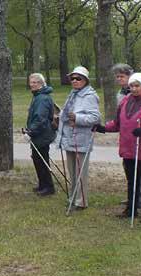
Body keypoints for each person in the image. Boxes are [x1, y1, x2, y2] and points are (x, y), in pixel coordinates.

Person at [96, 73, 141, 224]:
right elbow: (118, 123)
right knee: (131, 180)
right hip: (128, 147)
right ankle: (131, 208)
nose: (133, 89)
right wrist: (103, 128)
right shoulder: (126, 100)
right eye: (131, 86)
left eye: (137, 86)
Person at [56, 66, 101, 210]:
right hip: (69, 137)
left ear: (85, 80)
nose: (74, 81)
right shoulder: (73, 93)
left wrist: (78, 118)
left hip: (81, 139)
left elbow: (95, 118)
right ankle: (73, 197)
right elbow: (67, 113)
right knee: (72, 172)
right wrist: (59, 117)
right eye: (72, 78)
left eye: (78, 78)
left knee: (80, 173)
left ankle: (81, 202)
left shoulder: (90, 96)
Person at [112, 63, 141, 207]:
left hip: (138, 136)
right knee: (128, 167)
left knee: (140, 168)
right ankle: (133, 196)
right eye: (117, 77)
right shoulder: (121, 94)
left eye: (122, 76)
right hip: (125, 136)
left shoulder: (137, 92)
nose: (119, 79)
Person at [23, 73, 57, 196]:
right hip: (39, 134)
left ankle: (49, 187)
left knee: (42, 160)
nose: (32, 84)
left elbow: (40, 119)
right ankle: (43, 185)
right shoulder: (38, 96)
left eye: (35, 82)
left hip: (42, 134)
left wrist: (30, 132)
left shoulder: (42, 98)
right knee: (37, 159)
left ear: (41, 84)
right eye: (31, 82)